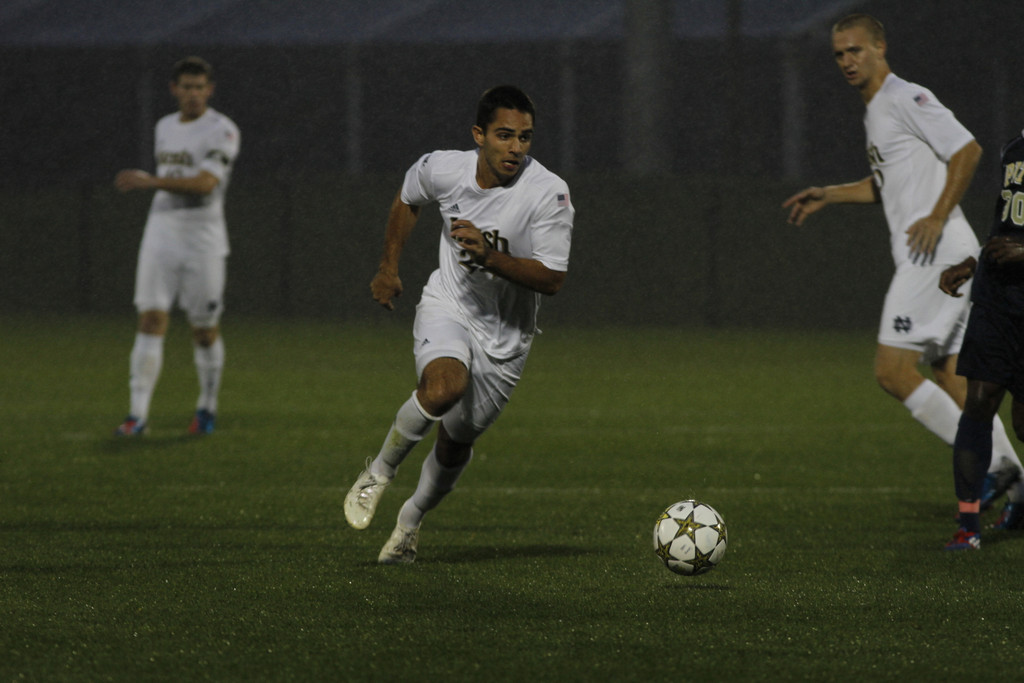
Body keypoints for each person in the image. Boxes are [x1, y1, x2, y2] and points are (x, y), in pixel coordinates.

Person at [781, 14, 1024, 508]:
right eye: (839, 54)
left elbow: (967, 149)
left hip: (934, 254)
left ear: (880, 47)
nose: (847, 61)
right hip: (933, 251)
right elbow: (887, 183)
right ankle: (1013, 478)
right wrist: (829, 194)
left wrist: (936, 216)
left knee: (892, 371)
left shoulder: (905, 97)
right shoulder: (875, 112)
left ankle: (996, 469)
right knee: (954, 374)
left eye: (856, 50)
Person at [343, 85, 575, 564]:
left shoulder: (548, 194)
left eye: (525, 138)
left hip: (506, 338)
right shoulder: (444, 168)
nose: (516, 148)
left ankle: (409, 523)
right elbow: (408, 199)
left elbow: (551, 279)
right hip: (449, 302)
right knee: (444, 386)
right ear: (479, 135)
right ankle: (379, 473)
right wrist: (388, 267)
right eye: (505, 136)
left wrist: (489, 256)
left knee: (454, 442)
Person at [113, 56, 240, 436]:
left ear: (210, 90)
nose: (193, 94)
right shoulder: (164, 126)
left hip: (203, 240)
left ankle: (206, 407)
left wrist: (149, 182)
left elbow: (205, 184)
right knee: (151, 319)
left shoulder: (222, 130)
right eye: (186, 87)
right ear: (174, 90)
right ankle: (137, 416)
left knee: (203, 328)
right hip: (161, 234)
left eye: (200, 87)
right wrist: (154, 184)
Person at [940, 129, 1024, 549]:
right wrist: (973, 261)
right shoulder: (1014, 146)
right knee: (978, 402)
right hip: (995, 298)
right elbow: (1004, 222)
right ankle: (968, 526)